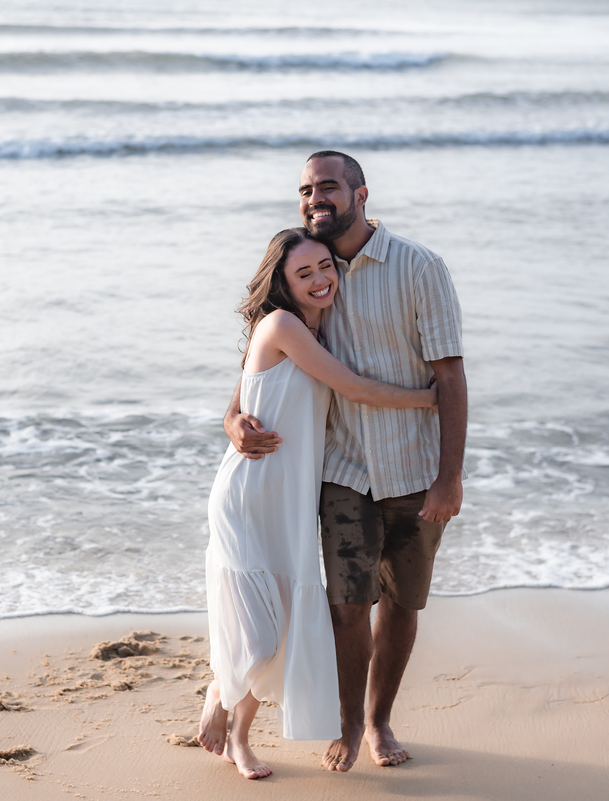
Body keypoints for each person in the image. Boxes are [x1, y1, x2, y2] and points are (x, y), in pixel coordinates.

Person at [223, 151, 467, 773]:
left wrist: (449, 476)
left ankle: (382, 721)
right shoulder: (307, 275)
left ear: (361, 193)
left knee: (402, 604)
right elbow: (255, 370)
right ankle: (350, 722)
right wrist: (231, 421)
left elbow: (451, 376)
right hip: (341, 471)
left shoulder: (419, 268)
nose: (314, 197)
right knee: (345, 604)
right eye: (305, 189)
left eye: (327, 186)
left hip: (413, 469)